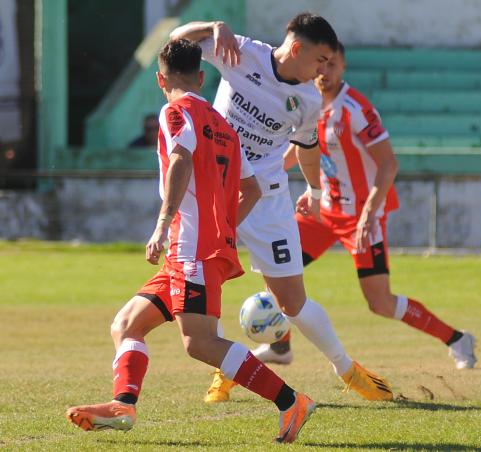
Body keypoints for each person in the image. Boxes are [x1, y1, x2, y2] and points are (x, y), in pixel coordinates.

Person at [65, 39, 315, 444]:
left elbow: (180, 158)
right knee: (126, 324)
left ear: (159, 79)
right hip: (196, 250)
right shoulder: (225, 128)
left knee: (198, 342)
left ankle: (290, 401)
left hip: (190, 250)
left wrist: (163, 223)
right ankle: (124, 404)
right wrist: (224, 228)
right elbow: (251, 189)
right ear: (202, 77)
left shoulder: (173, 111)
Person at [169, 13, 393, 403]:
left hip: (267, 200)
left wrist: (315, 190)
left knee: (292, 301)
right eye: (321, 60)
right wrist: (213, 27)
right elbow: (176, 39)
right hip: (214, 191)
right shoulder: (242, 53)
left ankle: (348, 370)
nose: (324, 70)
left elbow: (308, 149)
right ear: (296, 48)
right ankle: (228, 367)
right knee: (199, 283)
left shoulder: (307, 99)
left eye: (329, 63)